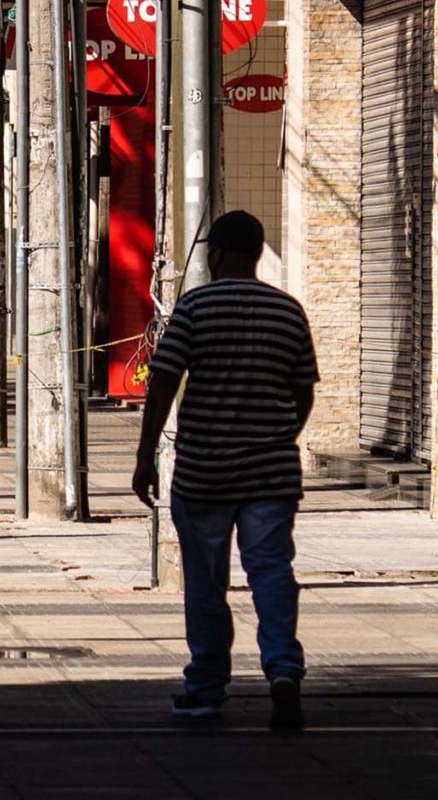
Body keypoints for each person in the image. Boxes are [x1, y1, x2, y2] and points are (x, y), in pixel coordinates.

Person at [131, 210, 318, 732]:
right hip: (272, 470)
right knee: (273, 572)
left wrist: (146, 455)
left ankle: (207, 686)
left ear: (215, 253)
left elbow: (163, 381)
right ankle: (284, 671)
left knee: (206, 582)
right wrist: (281, 435)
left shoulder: (194, 308)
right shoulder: (288, 311)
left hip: (204, 470)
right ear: (257, 252)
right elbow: (303, 390)